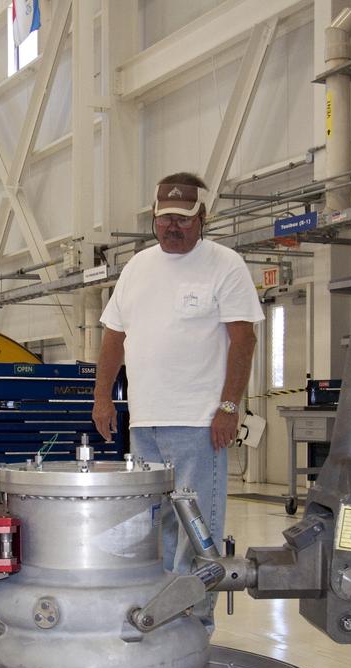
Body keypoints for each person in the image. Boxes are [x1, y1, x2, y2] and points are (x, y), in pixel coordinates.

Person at [91, 172, 262, 629]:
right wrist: (102, 398)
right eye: (165, 218)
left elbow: (243, 339)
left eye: (183, 219)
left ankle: (196, 622)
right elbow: (113, 338)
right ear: (153, 215)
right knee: (156, 526)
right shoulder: (137, 268)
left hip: (199, 423)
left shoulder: (224, 265)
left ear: (202, 217)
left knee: (197, 528)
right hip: (145, 423)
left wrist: (229, 407)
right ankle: (161, 615)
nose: (173, 227)